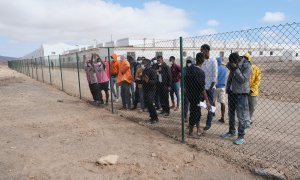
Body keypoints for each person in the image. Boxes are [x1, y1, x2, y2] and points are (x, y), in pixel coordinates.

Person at [221, 52, 251, 145]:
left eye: (233, 63)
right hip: (231, 92)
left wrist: (235, 69)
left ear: (237, 60)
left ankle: (241, 136)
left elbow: (243, 80)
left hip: (240, 94)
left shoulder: (247, 65)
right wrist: (227, 88)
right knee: (231, 114)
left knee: (240, 116)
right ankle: (231, 131)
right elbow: (231, 76)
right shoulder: (233, 64)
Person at [185, 52, 211, 138]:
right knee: (195, 113)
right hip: (197, 96)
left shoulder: (189, 69)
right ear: (203, 60)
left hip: (190, 94)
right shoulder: (200, 72)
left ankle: (198, 129)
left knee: (197, 112)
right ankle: (190, 133)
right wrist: (207, 101)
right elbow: (202, 87)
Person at [201, 44, 218, 131]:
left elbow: (215, 77)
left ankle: (208, 124)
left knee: (210, 106)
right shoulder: (202, 62)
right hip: (202, 88)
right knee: (198, 104)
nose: (202, 52)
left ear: (207, 50)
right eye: (201, 51)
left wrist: (210, 88)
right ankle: (196, 120)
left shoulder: (213, 61)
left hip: (210, 88)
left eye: (202, 51)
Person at [244, 53, 261, 124]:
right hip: (244, 91)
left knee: (252, 107)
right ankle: (246, 120)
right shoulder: (243, 68)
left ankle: (249, 119)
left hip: (252, 92)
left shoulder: (256, 69)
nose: (244, 61)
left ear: (249, 61)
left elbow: (257, 81)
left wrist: (251, 90)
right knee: (245, 107)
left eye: (246, 60)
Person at [141, 58, 159, 124]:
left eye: (143, 63)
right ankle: (152, 117)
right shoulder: (144, 71)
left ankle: (155, 118)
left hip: (151, 90)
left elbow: (154, 81)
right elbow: (143, 81)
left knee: (150, 104)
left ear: (147, 63)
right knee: (148, 104)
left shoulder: (152, 71)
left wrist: (148, 81)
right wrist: (135, 80)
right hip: (145, 89)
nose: (142, 64)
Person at [214, 57, 227, 123]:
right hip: (222, 87)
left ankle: (212, 113)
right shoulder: (224, 69)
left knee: (212, 101)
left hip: (215, 87)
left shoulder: (215, 69)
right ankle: (222, 117)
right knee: (222, 102)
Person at [183, 56, 193, 122]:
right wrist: (183, 87)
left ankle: (192, 117)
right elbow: (182, 79)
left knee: (193, 104)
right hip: (186, 88)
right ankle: (185, 116)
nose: (188, 63)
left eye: (190, 62)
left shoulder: (194, 69)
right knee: (186, 103)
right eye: (187, 62)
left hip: (193, 89)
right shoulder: (184, 69)